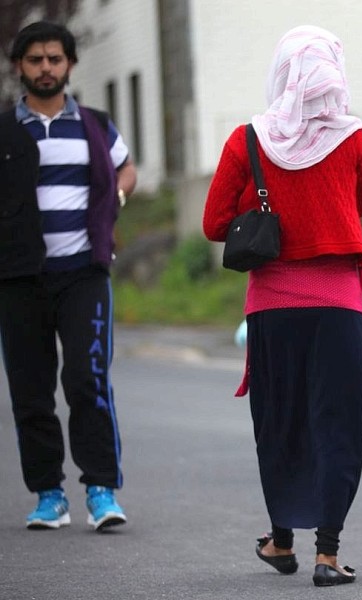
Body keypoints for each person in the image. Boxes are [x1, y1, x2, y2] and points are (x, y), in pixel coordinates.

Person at [202, 25, 362, 587]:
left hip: (273, 307)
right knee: (339, 424)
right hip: (340, 305)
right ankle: (328, 555)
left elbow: (213, 224)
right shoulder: (351, 137)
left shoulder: (247, 140)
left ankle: (281, 541)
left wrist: (263, 198)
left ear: (282, 72)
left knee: (280, 420)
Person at [0, 21, 137, 531]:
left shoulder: (97, 126)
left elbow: (127, 170)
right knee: (30, 390)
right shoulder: (4, 131)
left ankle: (101, 490)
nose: (45, 68)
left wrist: (113, 204)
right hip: (18, 278)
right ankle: (48, 495)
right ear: (21, 67)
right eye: (35, 59)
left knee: (86, 378)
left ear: (70, 64)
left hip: (83, 273)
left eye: (54, 58)